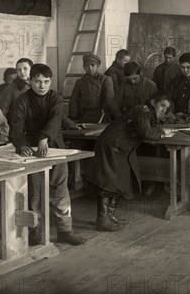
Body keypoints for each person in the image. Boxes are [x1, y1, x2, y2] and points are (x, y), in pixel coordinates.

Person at [10, 64, 86, 246]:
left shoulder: (55, 97)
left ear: (50, 81)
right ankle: (35, 230)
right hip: (31, 150)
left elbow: (55, 118)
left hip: (54, 146)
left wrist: (44, 138)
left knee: (60, 189)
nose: (41, 86)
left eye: (46, 82)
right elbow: (16, 128)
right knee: (34, 192)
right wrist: (21, 145)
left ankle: (65, 230)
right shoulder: (21, 101)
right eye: (37, 81)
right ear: (30, 81)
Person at [84, 94, 176, 231]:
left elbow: (148, 129)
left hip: (118, 147)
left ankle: (109, 215)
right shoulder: (143, 111)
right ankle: (103, 219)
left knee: (117, 182)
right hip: (112, 146)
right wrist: (162, 133)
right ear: (153, 101)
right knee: (109, 183)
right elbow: (146, 133)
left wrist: (159, 128)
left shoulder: (147, 113)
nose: (163, 110)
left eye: (166, 108)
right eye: (162, 105)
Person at [69, 54, 114, 123]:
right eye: (87, 65)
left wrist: (105, 116)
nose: (90, 68)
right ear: (84, 67)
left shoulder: (105, 80)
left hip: (100, 117)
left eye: (93, 65)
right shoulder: (80, 82)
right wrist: (73, 116)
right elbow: (74, 100)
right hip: (84, 116)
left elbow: (109, 100)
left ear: (97, 66)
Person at [0, 57, 33, 124]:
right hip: (17, 125)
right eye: (19, 70)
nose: (22, 72)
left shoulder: (37, 85)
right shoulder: (10, 88)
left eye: (25, 68)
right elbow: (1, 112)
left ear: (31, 69)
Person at [168, 52, 190, 120]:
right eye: (182, 67)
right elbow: (169, 99)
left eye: (188, 67)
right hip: (175, 117)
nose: (185, 70)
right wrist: (171, 113)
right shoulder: (174, 82)